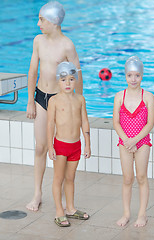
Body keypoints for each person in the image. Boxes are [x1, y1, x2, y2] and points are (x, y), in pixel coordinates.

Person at [25, 1, 83, 211]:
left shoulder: (67, 45)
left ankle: (63, 194)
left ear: (54, 21)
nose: (38, 23)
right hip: (41, 97)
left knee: (61, 150)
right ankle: (37, 193)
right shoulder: (38, 40)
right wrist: (31, 100)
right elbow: (33, 71)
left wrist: (79, 102)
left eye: (42, 19)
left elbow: (77, 73)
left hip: (62, 102)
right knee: (40, 146)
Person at [113, 56, 154, 227]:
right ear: (125, 76)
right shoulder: (119, 96)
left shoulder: (148, 97)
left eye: (137, 75)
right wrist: (126, 140)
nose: (133, 79)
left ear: (142, 76)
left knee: (142, 177)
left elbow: (150, 122)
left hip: (142, 141)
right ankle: (126, 213)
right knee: (127, 178)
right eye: (130, 75)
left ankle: (142, 214)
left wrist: (135, 140)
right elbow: (116, 122)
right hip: (124, 141)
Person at [47, 62, 90, 227]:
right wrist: (50, 147)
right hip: (60, 146)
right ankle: (59, 211)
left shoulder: (80, 99)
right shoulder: (54, 101)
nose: (67, 83)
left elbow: (85, 121)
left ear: (76, 81)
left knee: (71, 177)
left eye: (71, 79)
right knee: (58, 178)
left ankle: (70, 208)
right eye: (64, 79)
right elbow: (50, 124)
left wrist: (87, 144)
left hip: (76, 145)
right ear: (58, 80)